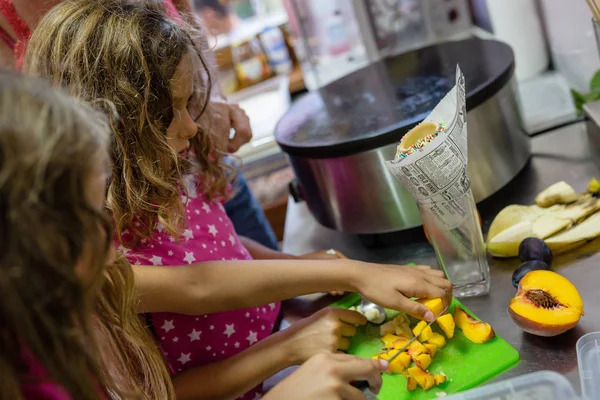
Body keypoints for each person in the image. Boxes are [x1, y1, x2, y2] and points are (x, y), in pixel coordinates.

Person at [23, 1, 451, 399]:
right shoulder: (99, 252)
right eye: (168, 112)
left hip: (279, 351)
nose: (190, 128)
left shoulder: (169, 160)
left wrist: (308, 271)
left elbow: (224, 250)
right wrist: (294, 341)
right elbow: (198, 287)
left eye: (188, 103)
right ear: (112, 125)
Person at [0, 68, 391, 400]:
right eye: (85, 220)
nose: (110, 251)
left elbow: (225, 255)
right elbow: (196, 285)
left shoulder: (53, 334)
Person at [0, 0, 280, 251]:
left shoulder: (193, 144)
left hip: (201, 165)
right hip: (133, 188)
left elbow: (233, 253)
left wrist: (206, 100)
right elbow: (200, 284)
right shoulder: (120, 234)